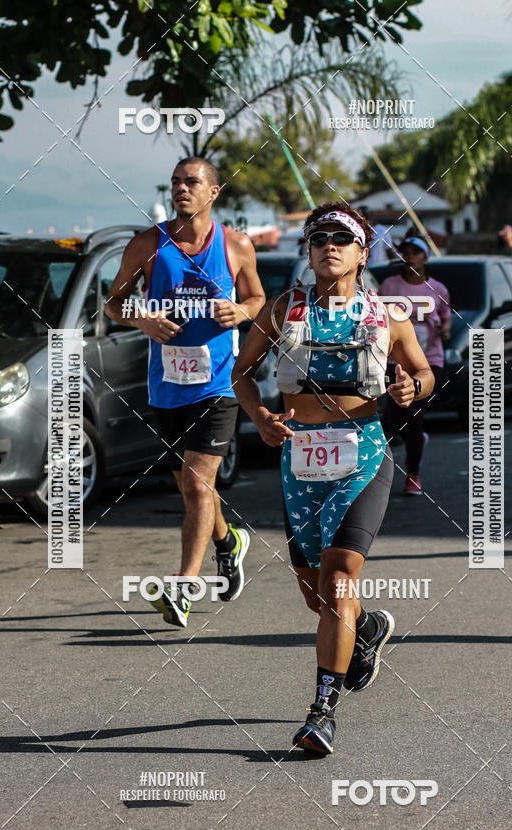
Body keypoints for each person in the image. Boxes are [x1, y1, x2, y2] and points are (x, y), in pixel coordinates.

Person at [232, 202, 434, 755]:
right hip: (300, 463)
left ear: (362, 252)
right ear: (309, 250)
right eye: (319, 237)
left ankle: (322, 711)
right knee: (316, 596)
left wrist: (411, 390)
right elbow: (242, 373)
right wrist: (260, 419)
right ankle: (365, 630)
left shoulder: (387, 315)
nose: (329, 245)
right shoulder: (280, 312)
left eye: (342, 238)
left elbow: (424, 371)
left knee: (339, 576)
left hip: (364, 456)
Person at [105, 157, 265, 627]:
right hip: (167, 387)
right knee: (191, 486)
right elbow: (113, 303)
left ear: (213, 193)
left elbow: (258, 299)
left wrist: (241, 311)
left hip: (218, 385)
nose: (181, 189)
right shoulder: (147, 245)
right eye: (175, 181)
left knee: (197, 485)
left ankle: (184, 586)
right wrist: (142, 318)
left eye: (191, 182)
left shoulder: (236, 246)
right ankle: (228, 543)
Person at [379, 235, 451, 496]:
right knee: (396, 419)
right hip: (393, 362)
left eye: (415, 252)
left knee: (415, 416)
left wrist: (444, 328)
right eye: (405, 252)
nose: (409, 256)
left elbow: (446, 317)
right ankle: (415, 439)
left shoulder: (438, 289)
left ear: (425, 257)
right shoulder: (389, 285)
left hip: (428, 361)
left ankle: (413, 474)